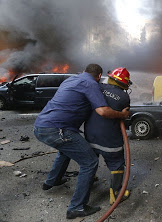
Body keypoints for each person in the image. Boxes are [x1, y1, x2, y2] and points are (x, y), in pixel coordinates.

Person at [33, 64, 130, 220]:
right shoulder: (91, 84)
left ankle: (52, 181)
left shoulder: (72, 79)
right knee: (90, 162)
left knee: (65, 150)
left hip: (41, 126)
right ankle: (76, 207)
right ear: (99, 76)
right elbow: (103, 111)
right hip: (58, 129)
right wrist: (121, 115)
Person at [84, 67, 131, 206]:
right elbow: (124, 115)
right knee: (117, 164)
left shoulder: (96, 87)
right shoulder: (124, 97)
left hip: (90, 135)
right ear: (125, 83)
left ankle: (89, 183)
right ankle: (116, 195)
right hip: (110, 139)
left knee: (90, 161)